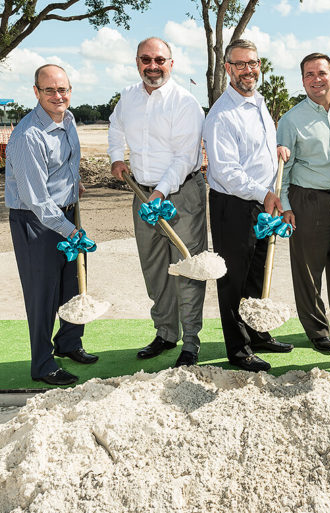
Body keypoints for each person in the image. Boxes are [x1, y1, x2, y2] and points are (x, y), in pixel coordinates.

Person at [108, 37, 207, 368]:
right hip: (141, 192)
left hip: (181, 195)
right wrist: (115, 158)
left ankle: (190, 343)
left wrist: (161, 192)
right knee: (154, 268)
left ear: (171, 63)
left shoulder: (185, 102)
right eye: (146, 60)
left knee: (188, 268)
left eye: (159, 60)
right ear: (137, 62)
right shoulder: (127, 96)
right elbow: (114, 126)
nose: (153, 66)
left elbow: (185, 157)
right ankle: (166, 333)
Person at [203, 39, 294, 372]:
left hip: (260, 200)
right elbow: (227, 171)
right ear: (227, 68)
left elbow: (257, 151)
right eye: (239, 64)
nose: (247, 70)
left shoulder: (258, 102)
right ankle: (239, 349)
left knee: (258, 270)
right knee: (234, 279)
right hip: (234, 205)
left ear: (259, 66)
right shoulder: (221, 114)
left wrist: (277, 150)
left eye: (252, 63)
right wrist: (264, 193)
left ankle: (257, 332)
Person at [6, 64, 98, 386]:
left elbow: (64, 166)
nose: (58, 96)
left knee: (73, 283)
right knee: (43, 293)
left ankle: (69, 343)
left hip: (67, 213)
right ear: (36, 92)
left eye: (63, 89)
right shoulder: (28, 135)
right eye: (50, 90)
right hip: (36, 221)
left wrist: (75, 186)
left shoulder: (69, 119)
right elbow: (37, 199)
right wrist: (69, 230)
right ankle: (43, 364)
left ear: (70, 90)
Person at [276, 52, 330, 355]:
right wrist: (287, 206)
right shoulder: (291, 120)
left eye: (322, 73)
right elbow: (283, 171)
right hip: (309, 200)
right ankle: (317, 329)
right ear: (303, 80)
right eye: (310, 74)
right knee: (308, 269)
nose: (317, 79)